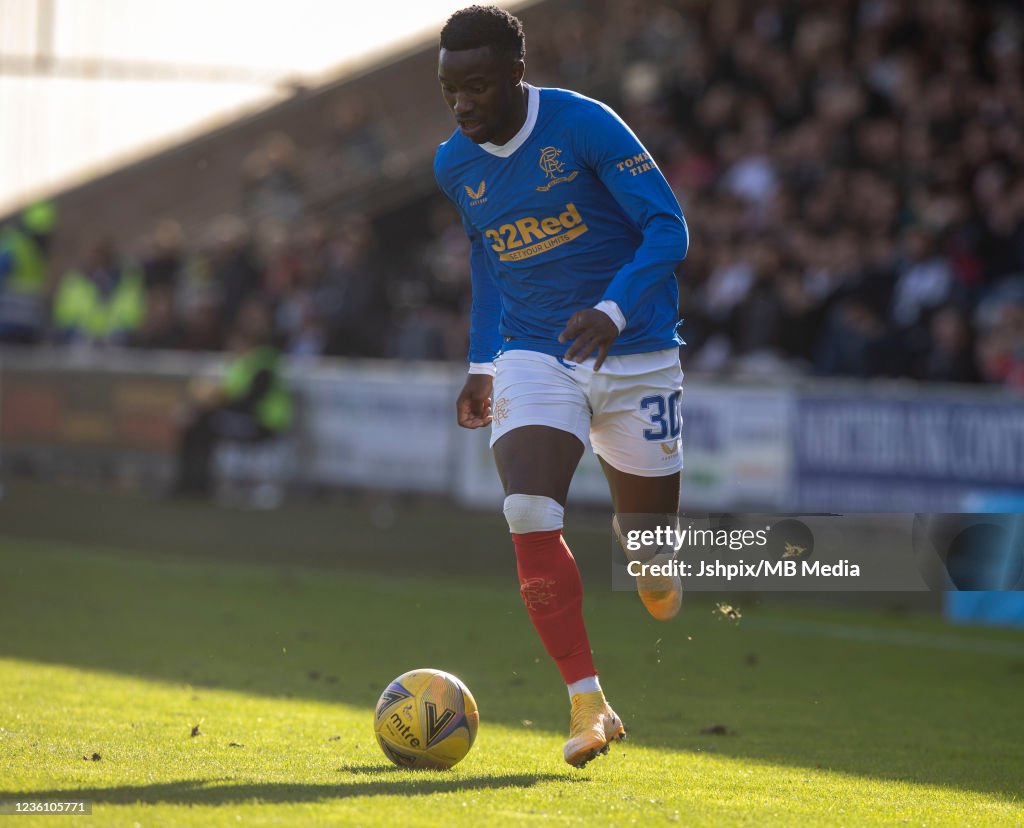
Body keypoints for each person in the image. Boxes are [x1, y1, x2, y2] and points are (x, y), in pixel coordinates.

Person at [434, 6, 688, 768]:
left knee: (650, 551)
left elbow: (668, 228)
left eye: (477, 86)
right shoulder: (454, 163)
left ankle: (648, 556)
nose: (463, 104)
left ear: (517, 72)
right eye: (451, 89)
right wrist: (483, 361)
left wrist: (613, 310)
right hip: (534, 353)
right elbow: (486, 257)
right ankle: (587, 700)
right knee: (527, 507)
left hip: (637, 352)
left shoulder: (583, 125)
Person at [173, 300, 293, 496]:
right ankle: (190, 483)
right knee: (197, 424)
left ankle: (196, 485)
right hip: (248, 419)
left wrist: (212, 405)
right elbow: (228, 394)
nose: (231, 348)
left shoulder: (263, 365)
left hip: (264, 424)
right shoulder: (242, 365)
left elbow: (248, 402)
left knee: (204, 423)